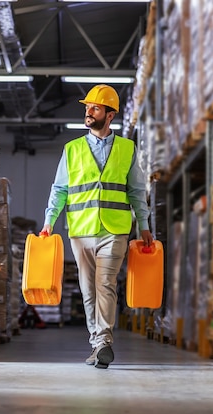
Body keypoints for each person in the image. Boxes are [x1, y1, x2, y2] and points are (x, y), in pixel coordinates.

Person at [40, 84, 153, 369]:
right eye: (87, 107)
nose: (88, 112)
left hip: (114, 229)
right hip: (80, 230)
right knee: (88, 288)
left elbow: (137, 191)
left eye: (95, 108)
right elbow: (59, 189)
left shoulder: (127, 148)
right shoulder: (72, 149)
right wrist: (48, 222)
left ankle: (104, 341)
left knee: (105, 283)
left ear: (110, 114)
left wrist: (145, 225)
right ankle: (95, 342)